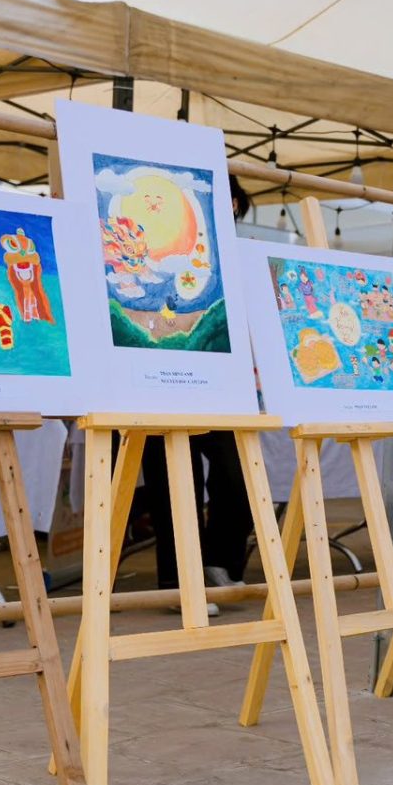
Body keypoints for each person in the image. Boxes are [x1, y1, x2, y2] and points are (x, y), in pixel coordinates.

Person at [132, 176, 256, 610]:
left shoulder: (238, 254)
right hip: (155, 378)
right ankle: (179, 581)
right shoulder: (158, 241)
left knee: (237, 476)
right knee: (174, 482)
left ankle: (220, 563)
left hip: (220, 385)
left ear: (235, 205)